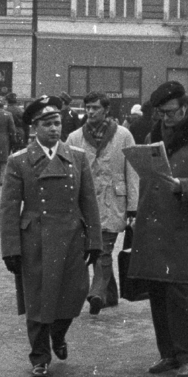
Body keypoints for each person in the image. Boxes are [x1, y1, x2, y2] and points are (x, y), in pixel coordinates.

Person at [0, 96, 104, 377]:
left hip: (71, 236)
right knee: (37, 299)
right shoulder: (19, 161)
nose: (54, 129)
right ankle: (39, 356)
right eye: (47, 124)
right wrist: (10, 249)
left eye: (57, 122)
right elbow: (9, 208)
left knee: (72, 294)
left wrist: (95, 241)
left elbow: (89, 202)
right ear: (34, 128)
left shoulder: (77, 158)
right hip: (35, 238)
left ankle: (58, 335)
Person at [129, 81, 188, 377]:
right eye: (161, 113)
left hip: (184, 223)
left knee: (177, 290)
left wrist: (183, 185)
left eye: (170, 113)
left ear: (185, 107)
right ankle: (167, 353)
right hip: (154, 219)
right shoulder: (154, 133)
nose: (165, 118)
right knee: (156, 287)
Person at [65, 91, 138, 315]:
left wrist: (133, 207)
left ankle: (96, 294)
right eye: (87, 107)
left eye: (95, 107)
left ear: (106, 110)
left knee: (103, 249)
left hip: (113, 201)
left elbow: (132, 171)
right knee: (97, 248)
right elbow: (68, 171)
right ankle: (111, 294)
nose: (90, 112)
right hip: (86, 204)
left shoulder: (124, 135)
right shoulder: (75, 137)